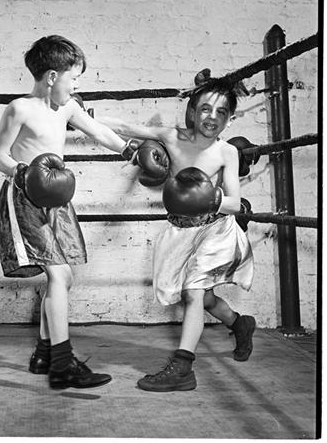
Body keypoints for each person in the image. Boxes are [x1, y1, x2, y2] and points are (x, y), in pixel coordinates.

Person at [0, 35, 135, 390]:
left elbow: (99, 131)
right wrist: (22, 172)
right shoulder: (19, 109)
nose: (77, 85)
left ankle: (44, 354)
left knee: (63, 277)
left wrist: (131, 151)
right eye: (74, 78)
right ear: (52, 76)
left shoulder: (67, 108)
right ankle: (62, 363)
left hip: (56, 196)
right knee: (58, 275)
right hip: (24, 195)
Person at [99, 75, 255, 392]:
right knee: (202, 297)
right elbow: (126, 128)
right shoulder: (172, 137)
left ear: (229, 119)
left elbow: (235, 203)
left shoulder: (227, 152)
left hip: (214, 229)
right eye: (206, 109)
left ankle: (182, 368)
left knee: (194, 293)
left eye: (222, 112)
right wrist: (82, 116)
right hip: (181, 230)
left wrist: (211, 197)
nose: (212, 117)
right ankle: (240, 323)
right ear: (193, 111)